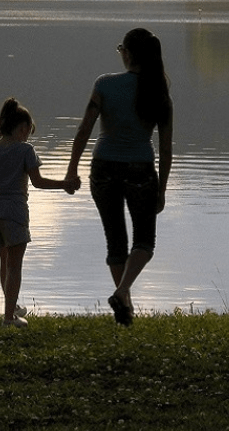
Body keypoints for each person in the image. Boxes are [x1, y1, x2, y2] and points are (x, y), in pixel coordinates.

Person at [64, 28, 173, 326]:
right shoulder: (159, 93)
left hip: (103, 168)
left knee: (115, 242)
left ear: (127, 53)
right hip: (140, 170)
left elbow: (84, 129)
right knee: (144, 243)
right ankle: (123, 295)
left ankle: (123, 303)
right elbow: (166, 149)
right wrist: (162, 189)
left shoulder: (104, 84)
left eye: (121, 49)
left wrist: (72, 169)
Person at [0, 97, 81, 328]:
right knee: (14, 266)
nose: (28, 137)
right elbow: (37, 182)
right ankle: (9, 319)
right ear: (23, 128)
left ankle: (12, 307)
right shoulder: (25, 150)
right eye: (29, 131)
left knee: (4, 261)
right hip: (14, 213)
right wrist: (65, 184)